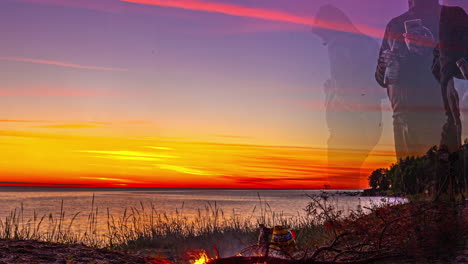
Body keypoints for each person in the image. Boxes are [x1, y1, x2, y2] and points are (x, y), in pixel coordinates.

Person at [313, 5, 384, 188]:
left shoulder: (339, 44)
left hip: (349, 120)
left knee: (341, 179)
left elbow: (343, 80)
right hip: (370, 115)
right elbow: (381, 81)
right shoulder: (368, 43)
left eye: (324, 35)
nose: (326, 41)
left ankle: (344, 214)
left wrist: (334, 94)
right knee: (351, 172)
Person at [376, 0, 449, 160]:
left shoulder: (449, 19)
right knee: (409, 176)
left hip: (438, 114)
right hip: (402, 116)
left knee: (437, 176)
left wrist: (430, 47)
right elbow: (381, 79)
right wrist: (385, 64)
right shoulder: (395, 24)